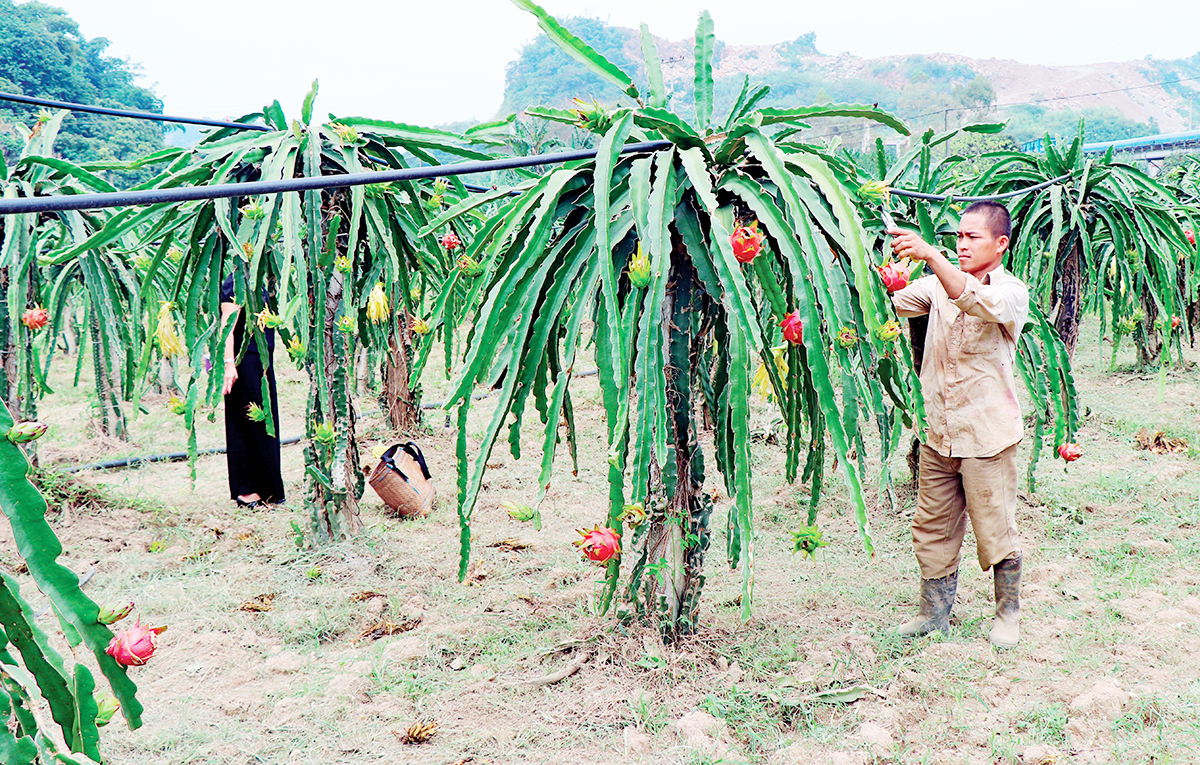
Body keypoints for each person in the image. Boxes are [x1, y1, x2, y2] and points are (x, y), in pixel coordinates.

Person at [887, 201, 1030, 648]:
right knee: (932, 526)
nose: (961, 243)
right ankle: (934, 614)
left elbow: (969, 297)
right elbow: (890, 302)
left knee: (995, 528)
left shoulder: (1010, 293)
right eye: (958, 236)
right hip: (938, 433)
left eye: (973, 237)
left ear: (1000, 243)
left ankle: (1008, 614)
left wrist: (931, 254)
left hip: (986, 435)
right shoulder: (933, 285)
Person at [220, 274, 284, 507]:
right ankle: (245, 490)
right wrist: (228, 364)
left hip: (262, 361)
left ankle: (269, 489)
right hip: (243, 361)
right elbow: (227, 324)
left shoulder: (260, 278)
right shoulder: (235, 281)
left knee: (265, 422)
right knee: (246, 421)